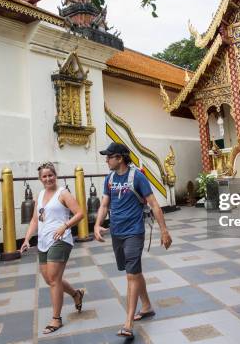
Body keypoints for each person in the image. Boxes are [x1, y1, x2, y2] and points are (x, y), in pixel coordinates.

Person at [94, 142, 172, 339]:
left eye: (109, 156)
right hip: (116, 232)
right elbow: (104, 204)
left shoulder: (137, 176)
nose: (106, 160)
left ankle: (128, 323)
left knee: (131, 275)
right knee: (134, 272)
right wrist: (96, 225)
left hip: (134, 232)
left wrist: (164, 231)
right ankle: (146, 306)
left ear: (119, 158)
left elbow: (154, 204)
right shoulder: (109, 178)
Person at [20, 162, 85, 334]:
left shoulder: (63, 193)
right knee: (50, 279)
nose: (48, 178)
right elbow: (35, 220)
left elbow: (80, 213)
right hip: (43, 241)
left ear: (55, 175)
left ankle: (56, 319)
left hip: (61, 239)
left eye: (51, 175)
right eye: (44, 176)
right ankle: (76, 294)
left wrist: (65, 226)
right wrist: (27, 239)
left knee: (54, 279)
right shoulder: (40, 194)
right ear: (40, 179)